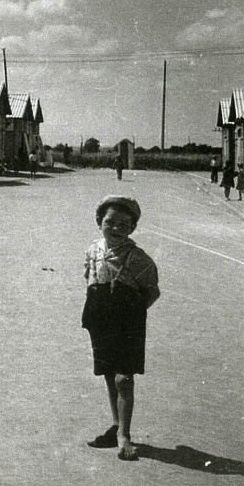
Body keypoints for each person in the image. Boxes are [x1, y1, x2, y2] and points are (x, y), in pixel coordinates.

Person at [81, 196, 160, 462]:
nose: (116, 228)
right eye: (109, 222)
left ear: (133, 228)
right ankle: (116, 425)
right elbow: (89, 277)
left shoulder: (138, 258)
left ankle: (125, 436)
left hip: (127, 324)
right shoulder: (93, 249)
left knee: (124, 378)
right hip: (99, 321)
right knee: (108, 373)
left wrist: (131, 314)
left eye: (124, 224)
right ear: (98, 222)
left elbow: (152, 291)